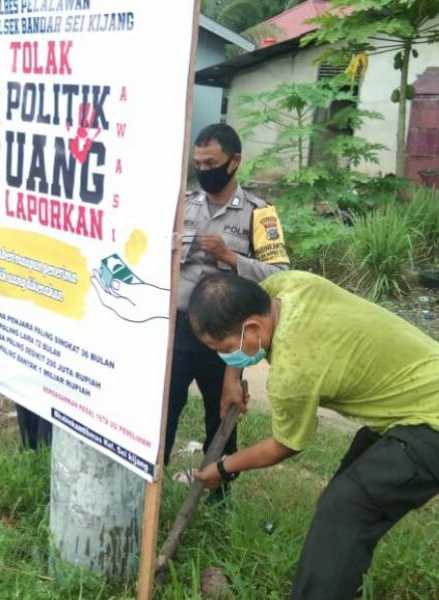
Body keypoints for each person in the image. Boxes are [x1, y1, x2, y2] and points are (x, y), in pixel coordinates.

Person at [188, 271, 439, 599]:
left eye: (225, 349)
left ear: (253, 328)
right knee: (341, 513)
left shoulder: (293, 370)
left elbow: (285, 445)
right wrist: (231, 377)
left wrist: (223, 467)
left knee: (345, 508)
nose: (225, 357)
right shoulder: (291, 284)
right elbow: (251, 310)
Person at [164, 123, 289, 504]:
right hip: (177, 330)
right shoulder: (184, 204)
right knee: (163, 411)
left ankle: (218, 497)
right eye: (199, 163)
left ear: (234, 162)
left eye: (212, 163)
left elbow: (281, 274)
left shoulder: (259, 214)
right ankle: (150, 488)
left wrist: (230, 257)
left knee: (222, 416)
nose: (204, 170)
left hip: (225, 338)